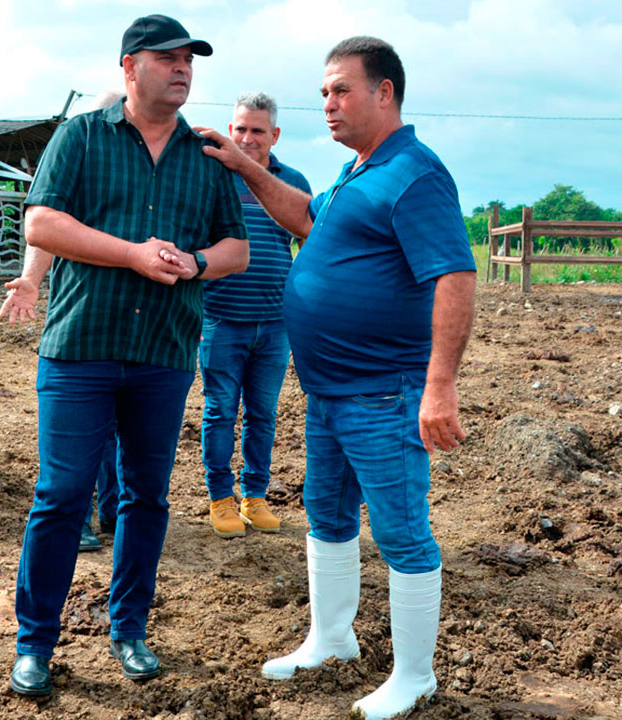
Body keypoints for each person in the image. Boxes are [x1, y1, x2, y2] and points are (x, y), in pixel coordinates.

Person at [199, 37, 476, 719]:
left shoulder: (415, 173)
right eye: (323, 92)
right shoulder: (358, 172)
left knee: (402, 530)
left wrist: (440, 386)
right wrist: (245, 163)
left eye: (341, 89)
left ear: (384, 93)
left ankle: (414, 675)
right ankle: (331, 638)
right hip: (328, 393)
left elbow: (455, 274)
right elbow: (304, 216)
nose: (328, 103)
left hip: (385, 392)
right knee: (326, 514)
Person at [8, 14, 248, 697]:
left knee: (147, 497)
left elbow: (239, 249)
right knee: (61, 495)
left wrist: (195, 262)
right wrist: (133, 255)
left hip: (163, 351)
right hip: (81, 347)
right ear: (128, 67)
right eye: (167, 58)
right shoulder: (81, 137)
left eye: (189, 61)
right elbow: (42, 222)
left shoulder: (204, 158)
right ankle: (36, 643)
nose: (182, 69)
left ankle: (129, 629)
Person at [0, 90, 125, 553]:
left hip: (140, 323)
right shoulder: (77, 161)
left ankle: (114, 508)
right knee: (87, 428)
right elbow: (46, 226)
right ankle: (84, 514)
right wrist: (31, 280)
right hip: (85, 318)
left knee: (123, 426)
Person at [200, 92, 311, 539]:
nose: (247, 139)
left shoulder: (292, 181)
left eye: (257, 131)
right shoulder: (212, 177)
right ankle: (221, 498)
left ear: (274, 135)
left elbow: (310, 244)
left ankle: (256, 495)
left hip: (275, 323)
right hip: (221, 318)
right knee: (220, 410)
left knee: (264, 412)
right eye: (240, 129)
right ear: (230, 131)